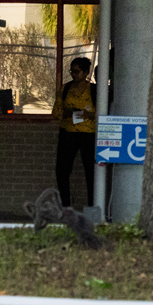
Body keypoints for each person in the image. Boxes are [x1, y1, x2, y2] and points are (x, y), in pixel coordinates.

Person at [54, 56, 96, 209]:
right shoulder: (65, 88)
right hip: (68, 132)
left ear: (86, 73)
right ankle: (66, 206)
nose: (74, 74)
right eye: (72, 71)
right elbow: (56, 112)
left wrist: (86, 114)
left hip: (88, 133)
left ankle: (92, 206)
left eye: (77, 71)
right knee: (62, 171)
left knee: (91, 172)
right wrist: (67, 112)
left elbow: (102, 114)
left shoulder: (94, 90)